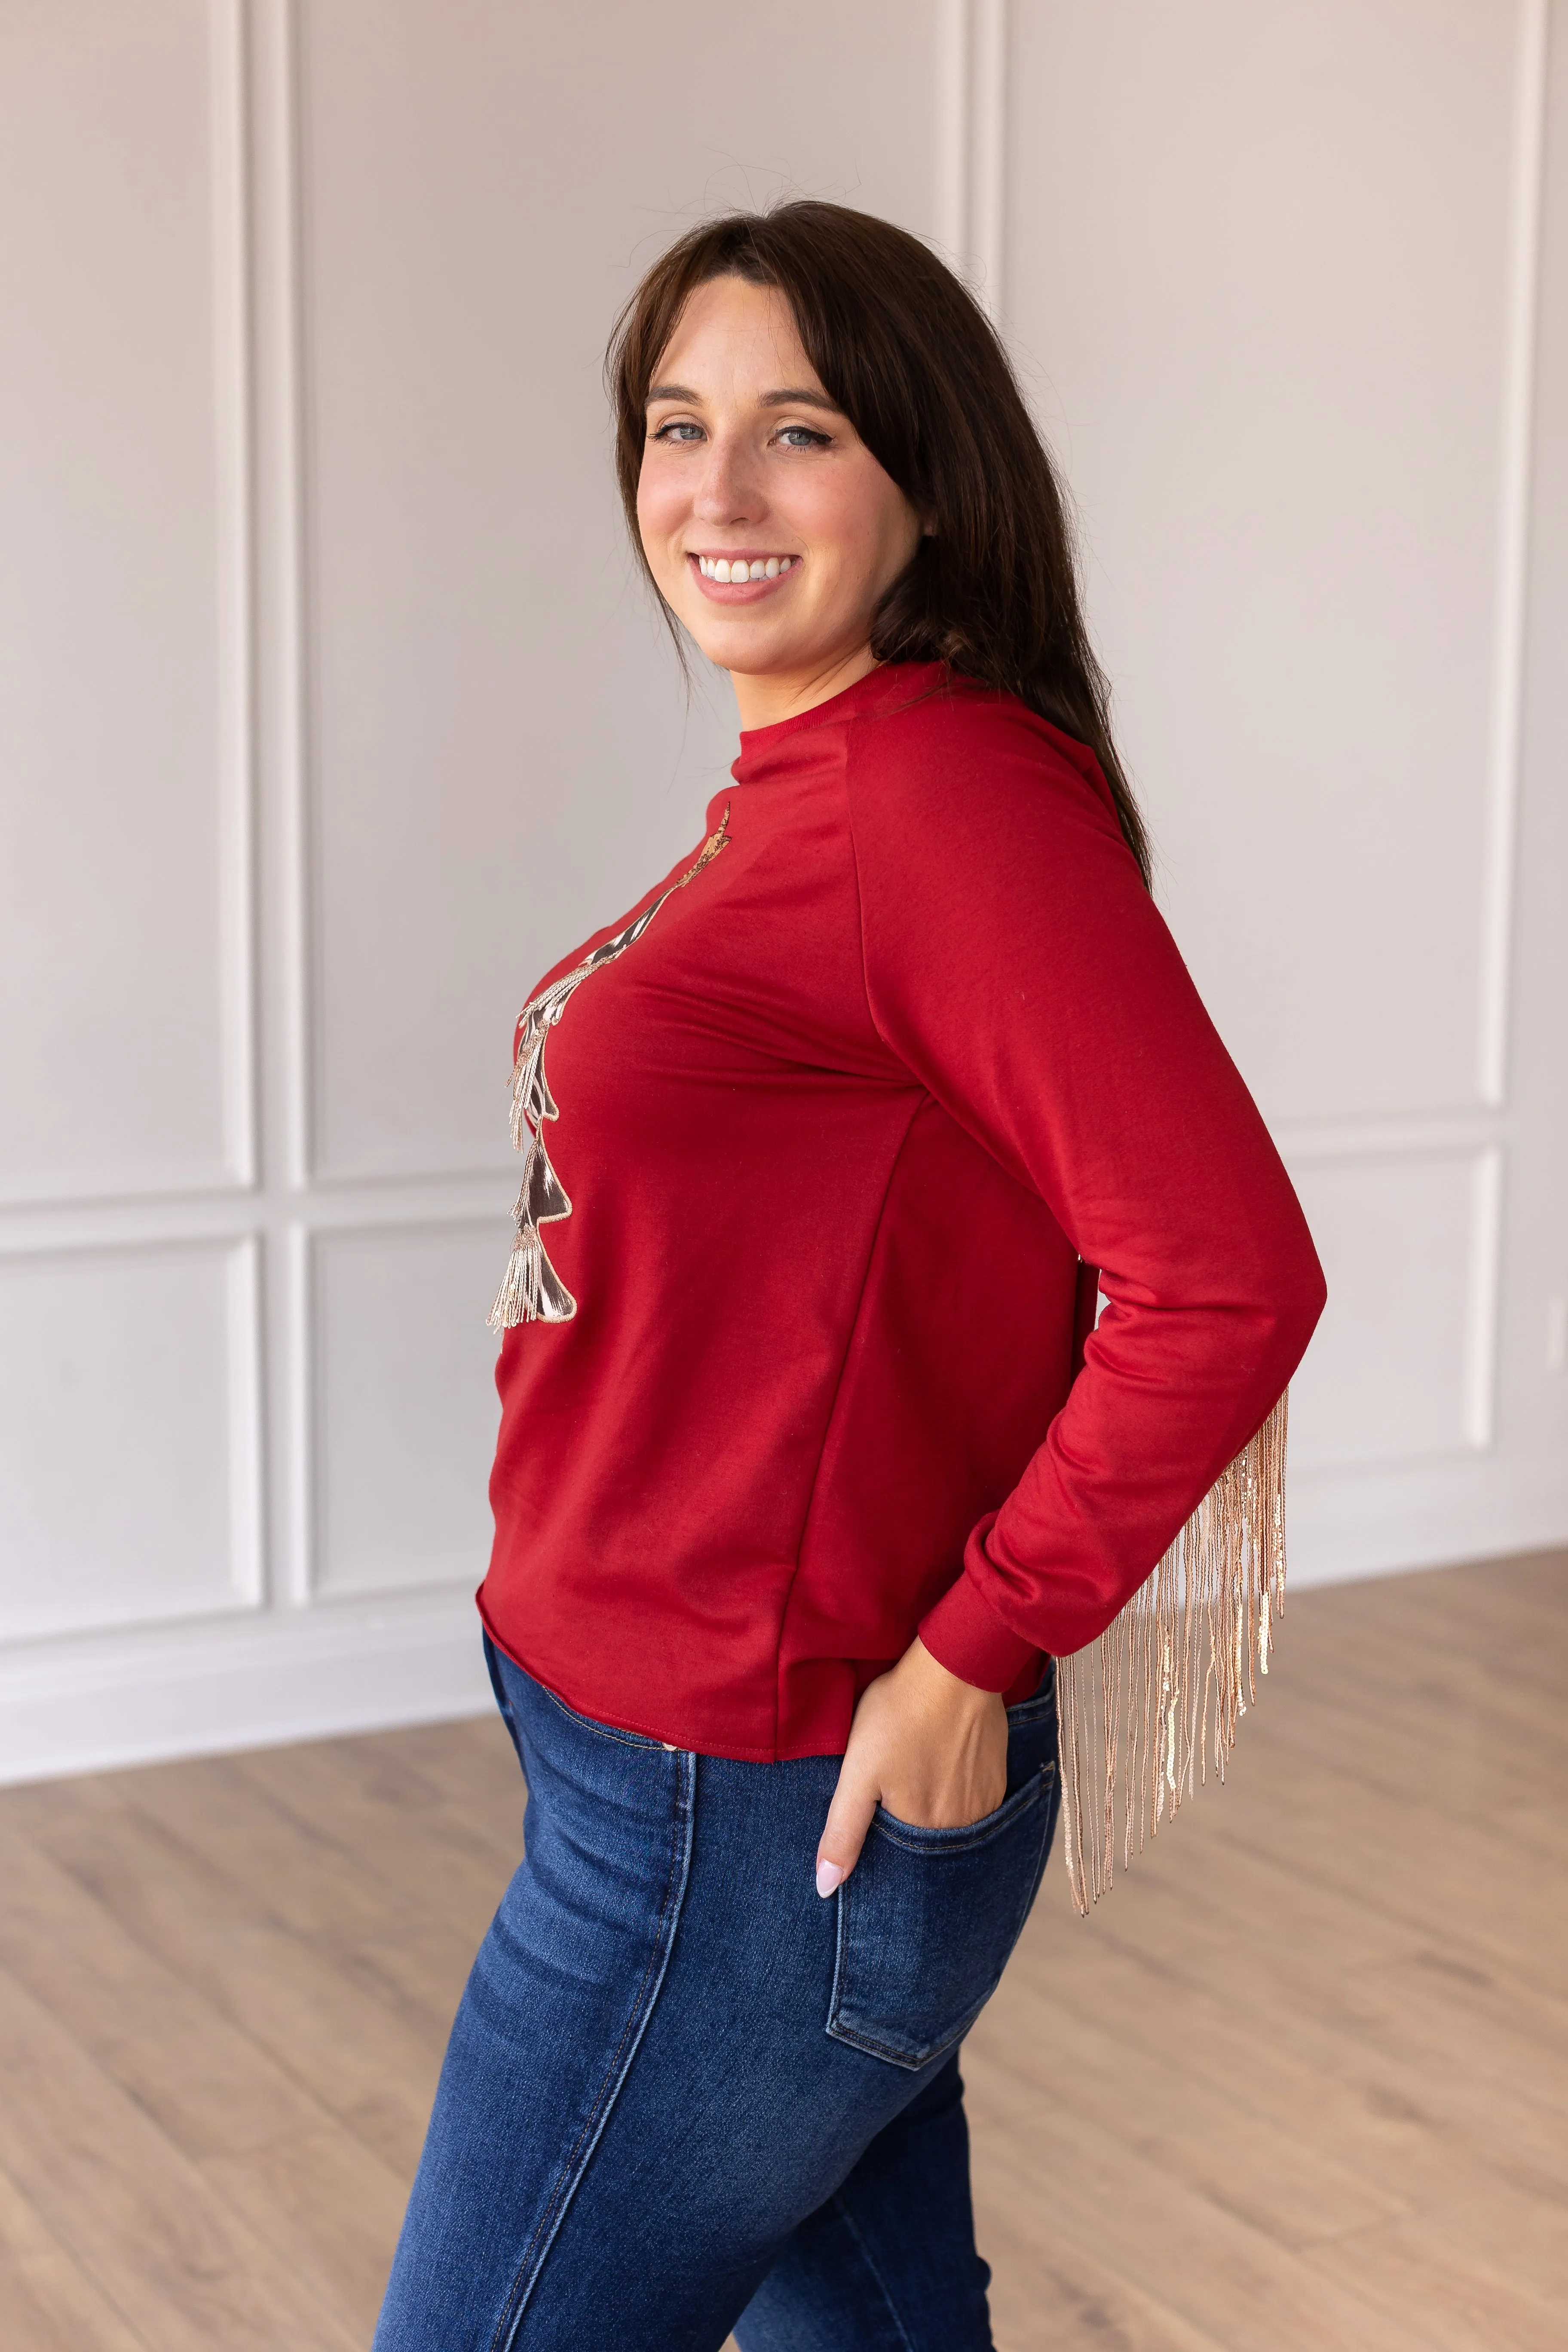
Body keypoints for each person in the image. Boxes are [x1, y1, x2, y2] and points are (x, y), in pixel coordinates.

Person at [372, 200, 1325, 2352]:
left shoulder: (940, 800)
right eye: (674, 424)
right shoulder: (807, 784)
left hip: (742, 1807)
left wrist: (977, 1647)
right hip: (672, 1752)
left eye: (794, 433)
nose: (714, 490)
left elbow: (1228, 1280)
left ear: (920, 474)